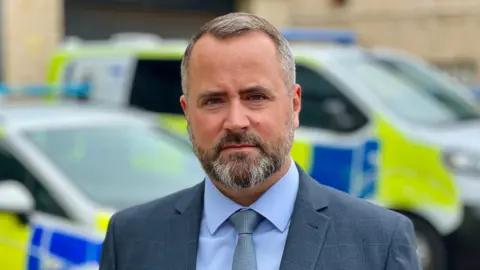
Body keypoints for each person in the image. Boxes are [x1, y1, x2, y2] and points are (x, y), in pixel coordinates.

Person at [99, 12, 422, 270]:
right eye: (213, 101)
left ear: (294, 105)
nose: (236, 121)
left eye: (255, 97)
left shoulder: (379, 241)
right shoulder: (132, 238)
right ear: (187, 113)